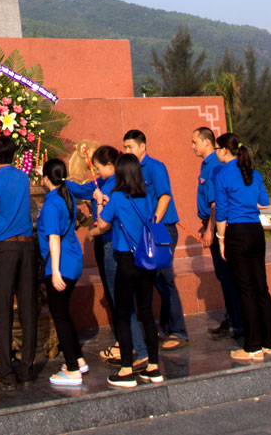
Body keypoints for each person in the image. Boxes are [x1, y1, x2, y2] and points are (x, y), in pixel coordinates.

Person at [71, 146, 149, 370]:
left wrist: (95, 217)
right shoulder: (141, 193)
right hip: (138, 253)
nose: (95, 173)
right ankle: (140, 352)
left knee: (122, 304)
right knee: (132, 304)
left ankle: (137, 352)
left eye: (97, 168)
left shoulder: (112, 192)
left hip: (115, 249)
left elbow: (103, 224)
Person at [97, 153, 164, 387]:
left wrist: (99, 203)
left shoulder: (116, 198)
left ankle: (126, 368)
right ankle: (153, 365)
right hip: (146, 259)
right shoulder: (146, 197)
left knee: (123, 313)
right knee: (146, 311)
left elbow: (102, 224)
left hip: (126, 258)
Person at [0, 135, 37, 390]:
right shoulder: (23, 178)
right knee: (27, 308)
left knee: (2, 310)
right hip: (27, 247)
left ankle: (5, 371)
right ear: (15, 154)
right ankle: (27, 368)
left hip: (3, 249)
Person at [122, 129, 188, 349]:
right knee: (156, 278)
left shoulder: (155, 167)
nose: (127, 151)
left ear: (143, 146)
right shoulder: (132, 170)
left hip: (161, 229)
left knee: (164, 277)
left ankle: (179, 331)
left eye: (130, 147)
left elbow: (165, 196)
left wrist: (154, 223)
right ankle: (167, 328)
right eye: (125, 147)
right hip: (146, 230)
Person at [214, 132, 271, 363]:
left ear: (224, 150)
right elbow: (265, 203)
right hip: (255, 231)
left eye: (217, 149)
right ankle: (269, 343)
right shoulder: (253, 172)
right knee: (261, 287)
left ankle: (252, 347)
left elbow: (221, 211)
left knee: (245, 290)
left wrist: (221, 238)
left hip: (237, 232)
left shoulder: (222, 175)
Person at [37, 158, 87, 387]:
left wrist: (55, 271)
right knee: (64, 314)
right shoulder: (66, 196)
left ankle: (73, 370)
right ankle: (77, 358)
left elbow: (53, 238)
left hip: (61, 264)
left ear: (46, 179)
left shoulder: (50, 204)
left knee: (60, 316)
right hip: (73, 259)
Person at [191, 126, 243, 339]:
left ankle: (237, 322)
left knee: (228, 276)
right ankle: (232, 317)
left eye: (195, 141)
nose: (192, 146)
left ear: (207, 142)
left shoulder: (215, 166)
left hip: (220, 227)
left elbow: (215, 203)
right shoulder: (207, 166)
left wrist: (211, 229)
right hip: (210, 223)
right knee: (224, 276)